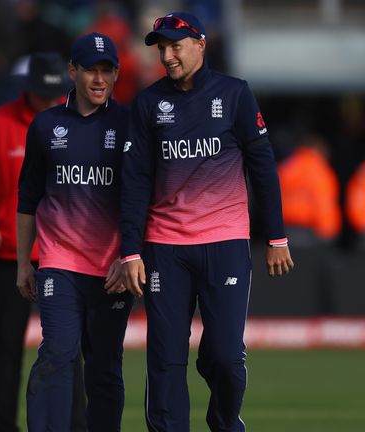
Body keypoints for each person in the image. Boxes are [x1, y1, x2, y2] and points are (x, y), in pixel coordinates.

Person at [119, 12, 295, 432]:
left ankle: (224, 423)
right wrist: (130, 250)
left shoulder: (235, 94)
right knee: (165, 356)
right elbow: (134, 181)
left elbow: (262, 166)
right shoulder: (147, 103)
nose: (167, 55)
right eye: (161, 47)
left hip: (225, 243)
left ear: (200, 44)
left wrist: (276, 236)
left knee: (224, 357)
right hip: (165, 248)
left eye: (175, 46)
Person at [0, 52, 89, 432]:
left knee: (70, 350)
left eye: (54, 93)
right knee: (5, 349)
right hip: (9, 254)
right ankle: (4, 426)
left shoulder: (81, 121)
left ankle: (74, 425)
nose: (48, 99)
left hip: (66, 254)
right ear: (27, 90)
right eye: (41, 93)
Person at [17, 33, 134, 431]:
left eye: (107, 71)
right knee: (57, 353)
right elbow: (28, 198)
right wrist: (22, 263)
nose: (99, 80)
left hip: (112, 269)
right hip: (59, 263)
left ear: (116, 74)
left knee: (104, 366)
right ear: (73, 71)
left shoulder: (130, 125)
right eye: (91, 70)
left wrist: (132, 256)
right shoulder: (47, 125)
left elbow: (144, 199)